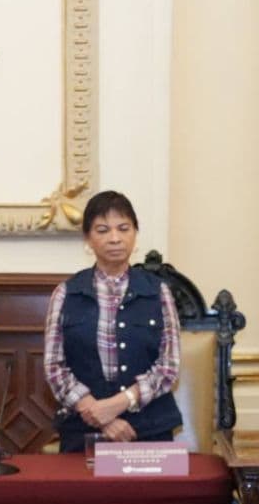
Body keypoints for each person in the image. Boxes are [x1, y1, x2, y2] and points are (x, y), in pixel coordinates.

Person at [43, 190, 182, 452]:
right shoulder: (66, 293)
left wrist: (119, 403)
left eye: (123, 228)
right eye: (103, 230)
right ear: (88, 239)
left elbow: (168, 366)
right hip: (83, 433)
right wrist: (98, 415)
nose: (115, 238)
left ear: (135, 234)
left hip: (149, 430)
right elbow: (54, 368)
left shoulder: (158, 291)